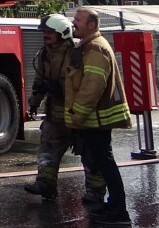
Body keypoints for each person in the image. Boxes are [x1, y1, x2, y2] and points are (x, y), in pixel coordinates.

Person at [22, 13, 105, 203]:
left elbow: (82, 83)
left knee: (89, 154)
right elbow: (39, 80)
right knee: (48, 149)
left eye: (49, 31)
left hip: (77, 114)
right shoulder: (44, 54)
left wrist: (60, 89)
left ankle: (95, 193)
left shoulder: (77, 53)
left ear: (62, 32)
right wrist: (34, 101)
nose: (45, 35)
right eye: (44, 31)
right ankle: (45, 184)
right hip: (55, 115)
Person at [66, 8, 132, 226]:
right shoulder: (89, 45)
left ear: (91, 25)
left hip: (96, 119)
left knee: (106, 163)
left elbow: (92, 86)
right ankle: (114, 205)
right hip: (94, 118)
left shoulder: (95, 47)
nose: (73, 22)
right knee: (104, 163)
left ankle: (118, 210)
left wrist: (77, 116)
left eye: (78, 20)